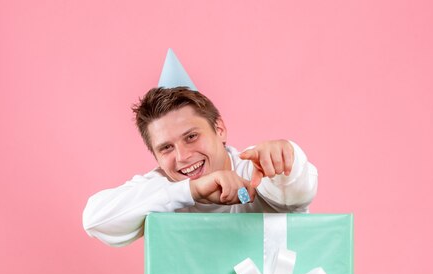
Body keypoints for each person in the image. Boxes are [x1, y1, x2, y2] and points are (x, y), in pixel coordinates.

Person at [82, 51, 317, 247]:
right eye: (166, 148)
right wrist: (191, 190)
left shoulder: (254, 169)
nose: (183, 156)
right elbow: (95, 220)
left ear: (220, 129)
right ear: (155, 156)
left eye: (191, 136)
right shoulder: (161, 186)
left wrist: (287, 158)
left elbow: (296, 193)